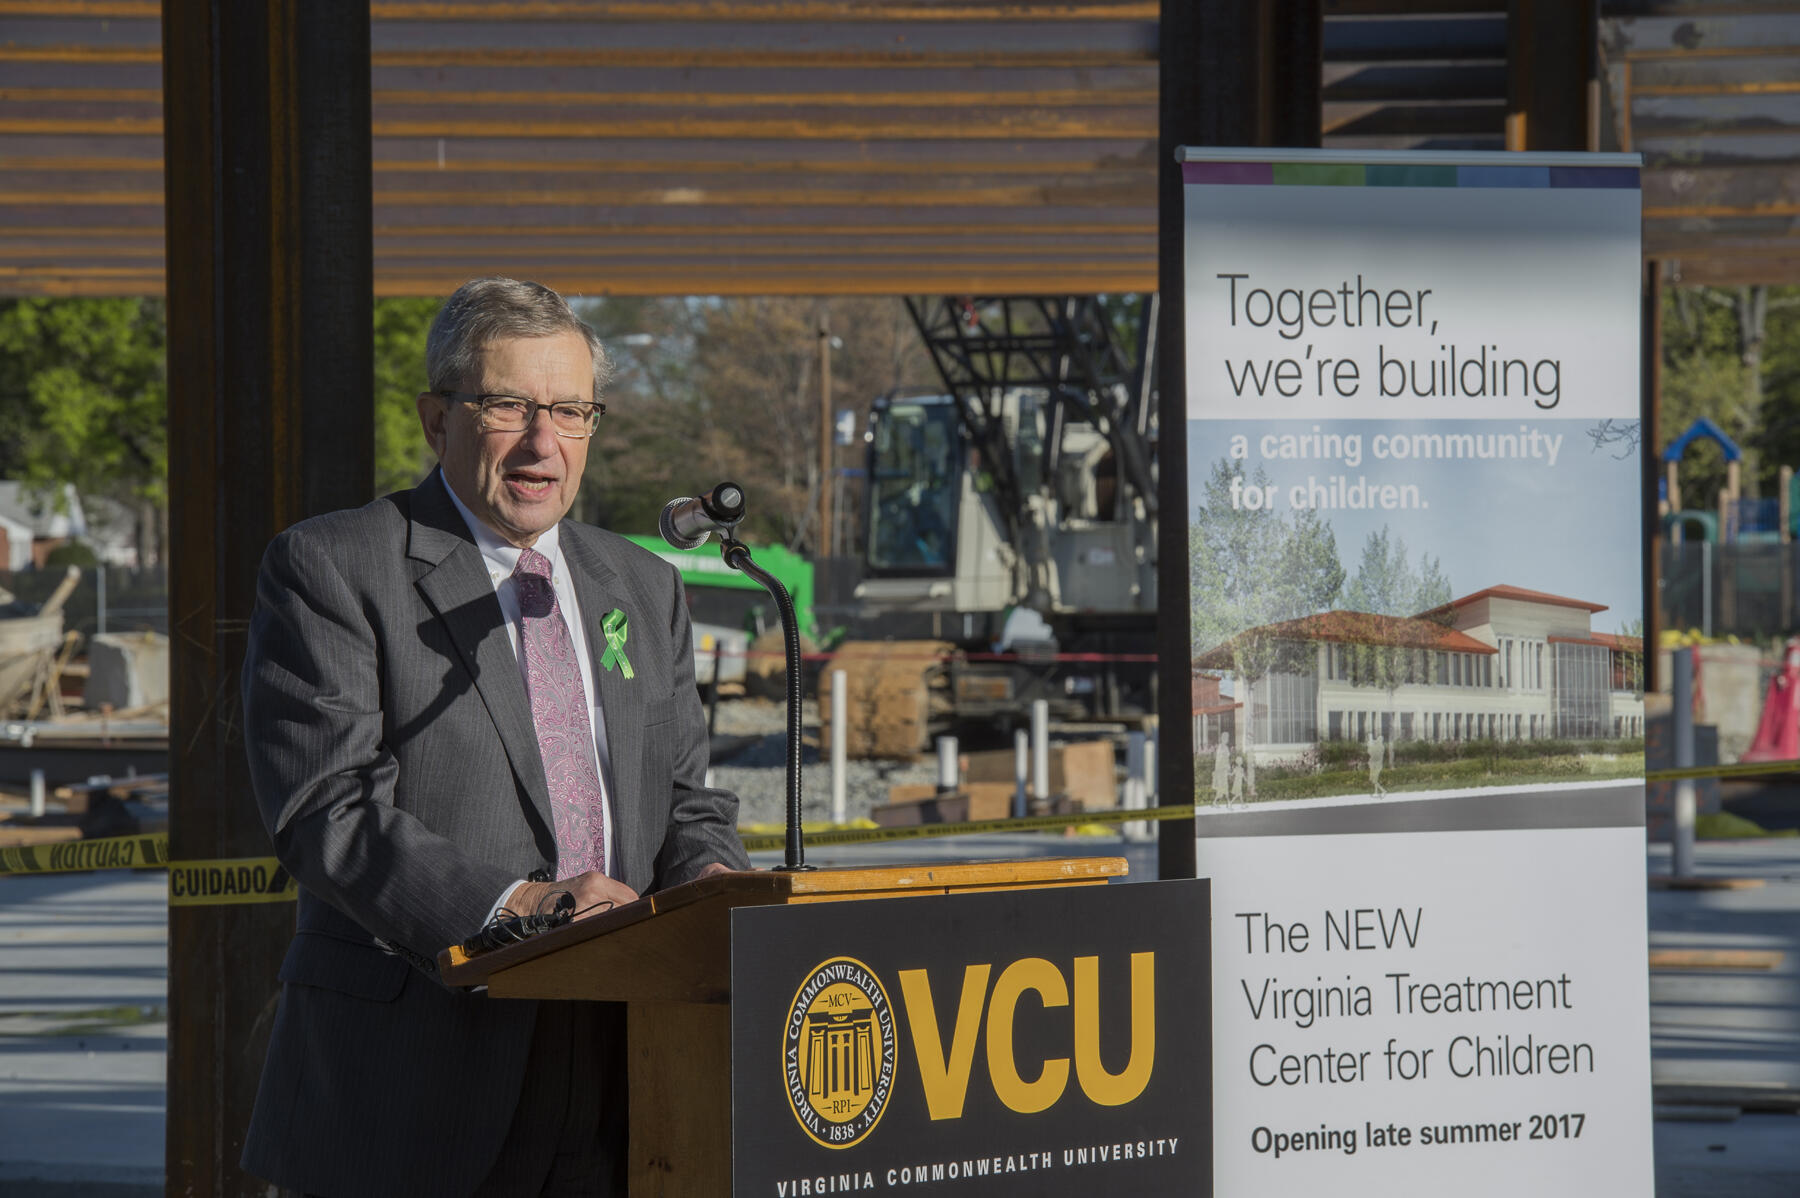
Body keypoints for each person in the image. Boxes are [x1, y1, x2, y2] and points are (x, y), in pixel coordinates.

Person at [238, 277, 749, 1197]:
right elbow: (327, 811)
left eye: (570, 410)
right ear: (438, 421)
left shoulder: (644, 585)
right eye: (508, 406)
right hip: (415, 1078)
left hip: (627, 1065)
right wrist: (527, 908)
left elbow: (684, 798)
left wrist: (715, 882)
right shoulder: (333, 566)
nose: (543, 442)